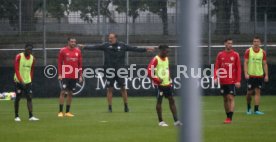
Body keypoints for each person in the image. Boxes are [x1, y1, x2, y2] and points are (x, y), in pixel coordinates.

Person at [80, 32, 153, 112]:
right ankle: (110, 108)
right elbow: (95, 47)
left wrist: (145, 49)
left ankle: (126, 106)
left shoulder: (122, 45)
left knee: (123, 88)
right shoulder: (106, 46)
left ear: (115, 38)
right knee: (109, 89)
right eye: (109, 38)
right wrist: (85, 47)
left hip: (120, 71)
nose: (109, 39)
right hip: (109, 71)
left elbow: (134, 48)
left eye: (111, 38)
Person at [147, 45, 182, 127]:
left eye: (168, 51)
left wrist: (169, 78)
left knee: (172, 100)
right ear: (161, 51)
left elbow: (166, 69)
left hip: (167, 84)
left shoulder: (166, 58)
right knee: (159, 101)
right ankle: (161, 121)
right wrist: (157, 80)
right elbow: (149, 72)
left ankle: (176, 121)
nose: (168, 53)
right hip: (159, 85)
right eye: (166, 51)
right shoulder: (156, 59)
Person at [214, 38, 241, 124]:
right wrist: (215, 77)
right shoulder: (220, 54)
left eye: (231, 43)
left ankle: (230, 117)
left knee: (230, 97)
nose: (230, 45)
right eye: (228, 43)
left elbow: (238, 68)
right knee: (225, 99)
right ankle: (227, 116)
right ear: (225, 44)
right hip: (223, 80)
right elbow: (216, 67)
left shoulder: (235, 55)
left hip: (232, 80)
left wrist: (238, 80)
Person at [57, 37, 83, 117]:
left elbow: (80, 64)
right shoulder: (63, 51)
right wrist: (60, 74)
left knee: (71, 93)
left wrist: (80, 75)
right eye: (71, 42)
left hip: (74, 74)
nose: (73, 43)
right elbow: (59, 63)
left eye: (74, 42)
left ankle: (67, 112)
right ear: (68, 42)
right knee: (63, 92)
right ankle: (60, 112)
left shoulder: (78, 51)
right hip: (65, 73)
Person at [14, 43, 39, 122]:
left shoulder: (33, 59)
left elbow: (32, 70)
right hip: (18, 81)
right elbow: (16, 69)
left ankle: (31, 116)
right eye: (28, 49)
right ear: (25, 48)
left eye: (31, 50)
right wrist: (21, 81)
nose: (29, 51)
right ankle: (16, 116)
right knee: (18, 98)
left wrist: (30, 80)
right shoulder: (19, 56)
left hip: (28, 81)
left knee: (29, 98)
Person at [244, 36, 269, 115]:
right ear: (252, 42)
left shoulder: (263, 52)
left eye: (257, 41)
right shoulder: (248, 51)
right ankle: (248, 108)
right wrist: (246, 73)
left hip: (259, 75)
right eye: (254, 41)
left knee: (257, 92)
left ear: (260, 43)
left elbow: (264, 64)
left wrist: (266, 75)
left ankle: (256, 110)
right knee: (249, 93)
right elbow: (245, 63)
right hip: (251, 76)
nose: (256, 43)